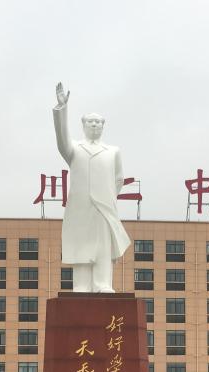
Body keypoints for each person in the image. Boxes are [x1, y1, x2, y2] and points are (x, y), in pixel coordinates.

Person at [53, 81, 132, 292]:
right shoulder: (74, 149)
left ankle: (102, 283)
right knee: (81, 245)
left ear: (103, 125)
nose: (95, 125)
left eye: (98, 122)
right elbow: (61, 140)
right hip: (80, 205)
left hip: (104, 206)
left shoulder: (112, 151)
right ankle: (80, 285)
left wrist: (108, 196)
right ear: (83, 125)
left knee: (102, 246)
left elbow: (119, 179)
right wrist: (62, 108)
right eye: (90, 122)